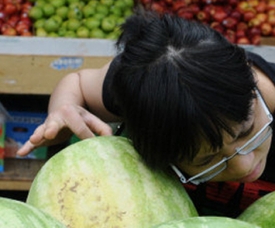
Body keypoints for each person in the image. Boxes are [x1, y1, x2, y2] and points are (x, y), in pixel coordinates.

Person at [17, 11, 275, 217]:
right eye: (207, 160)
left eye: (248, 132)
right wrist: (64, 110)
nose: (245, 164)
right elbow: (78, 83)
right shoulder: (142, 91)